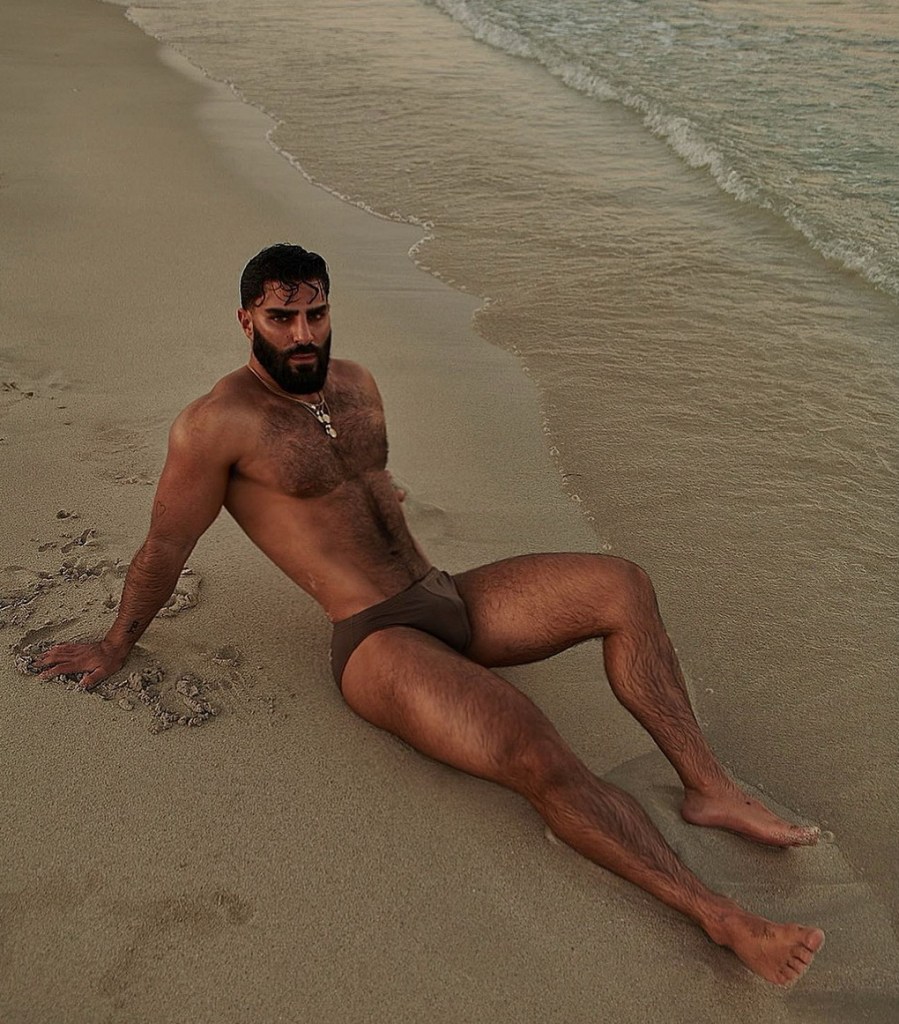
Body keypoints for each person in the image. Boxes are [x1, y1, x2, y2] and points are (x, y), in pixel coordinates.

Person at [37, 243, 824, 986]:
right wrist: (115, 644)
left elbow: (361, 484)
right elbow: (165, 546)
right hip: (377, 641)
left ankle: (708, 787)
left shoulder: (355, 384)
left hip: (444, 595)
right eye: (281, 318)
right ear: (246, 320)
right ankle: (721, 917)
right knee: (531, 745)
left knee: (622, 584)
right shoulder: (215, 424)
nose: (302, 333)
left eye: (315, 313)